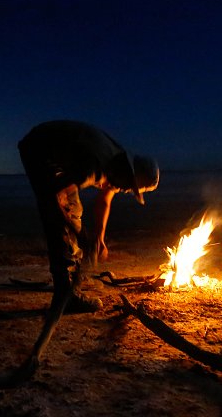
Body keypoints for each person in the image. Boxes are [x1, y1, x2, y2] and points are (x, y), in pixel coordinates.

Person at [18, 120, 159, 313]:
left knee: (74, 210)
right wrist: (81, 234)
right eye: (130, 187)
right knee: (61, 220)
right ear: (128, 173)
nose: (125, 190)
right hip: (39, 150)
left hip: (59, 151)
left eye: (131, 190)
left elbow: (104, 200)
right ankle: (66, 294)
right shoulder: (94, 168)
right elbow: (55, 197)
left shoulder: (118, 164)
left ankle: (71, 273)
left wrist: (99, 236)